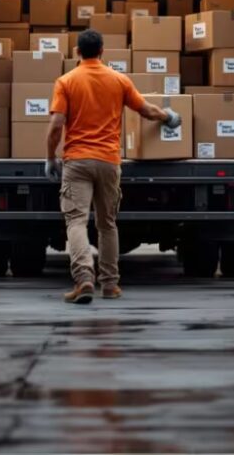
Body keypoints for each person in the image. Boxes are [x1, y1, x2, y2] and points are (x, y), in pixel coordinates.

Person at [46, 28, 181, 305]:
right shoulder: (119, 80)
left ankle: (84, 279)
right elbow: (145, 110)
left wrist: (50, 157)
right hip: (109, 161)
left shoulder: (66, 81)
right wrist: (167, 117)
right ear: (103, 51)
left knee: (76, 221)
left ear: (77, 52)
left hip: (78, 161)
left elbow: (56, 126)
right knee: (107, 224)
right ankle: (110, 284)